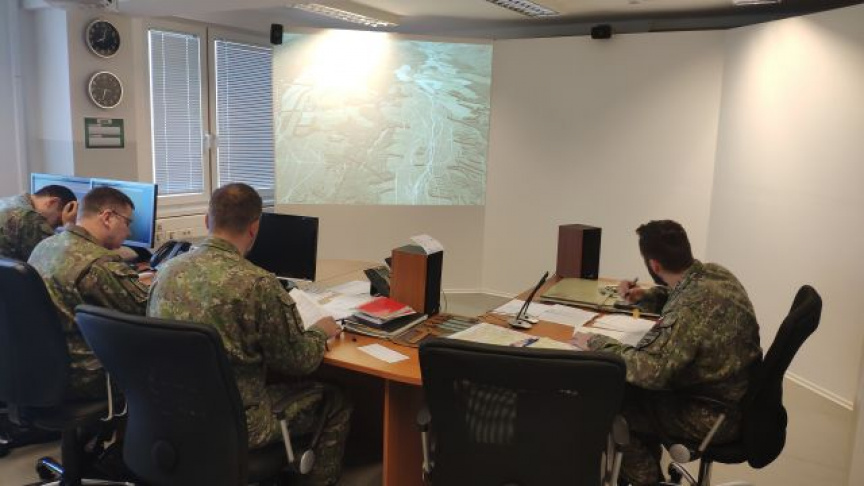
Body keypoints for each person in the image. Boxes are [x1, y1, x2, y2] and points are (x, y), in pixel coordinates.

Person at [147, 183, 351, 486]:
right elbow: (298, 362)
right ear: (255, 228)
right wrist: (320, 332)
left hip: (172, 414)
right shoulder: (258, 284)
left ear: (207, 220)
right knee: (335, 399)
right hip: (238, 422)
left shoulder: (165, 271)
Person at [573, 220, 762, 486]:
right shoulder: (715, 274)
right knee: (632, 395)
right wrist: (645, 297)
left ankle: (646, 480)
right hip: (734, 400)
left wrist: (595, 342)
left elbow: (653, 373)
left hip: (711, 416)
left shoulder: (688, 308)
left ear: (654, 265)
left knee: (611, 405)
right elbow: (682, 299)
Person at [29, 186, 149, 400]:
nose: (129, 232)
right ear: (108, 217)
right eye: (127, 223)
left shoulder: (45, 246)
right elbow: (147, 311)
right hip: (86, 376)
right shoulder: (98, 264)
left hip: (40, 367)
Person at [0, 185, 78, 261]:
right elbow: (58, 260)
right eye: (58, 221)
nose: (54, 228)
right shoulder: (30, 218)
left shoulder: (6, 202)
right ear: (52, 202)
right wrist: (69, 226)